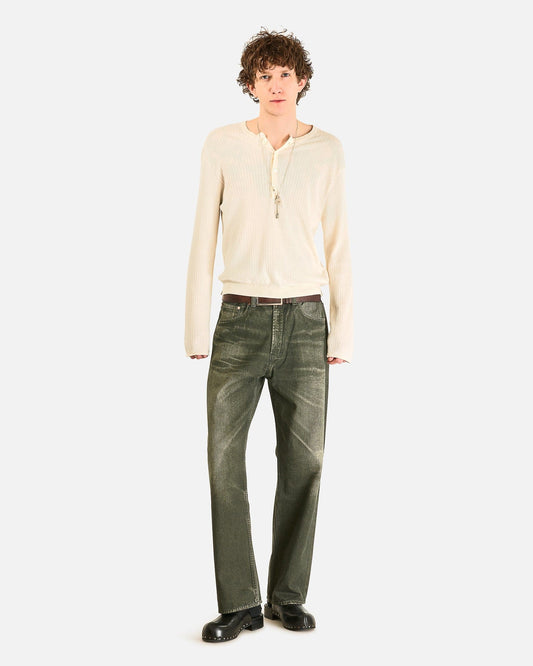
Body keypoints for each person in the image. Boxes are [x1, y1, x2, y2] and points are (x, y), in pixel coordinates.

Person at [184, 27, 354, 642]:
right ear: (250, 83)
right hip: (239, 319)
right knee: (223, 460)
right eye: (264, 75)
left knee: (305, 462)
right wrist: (196, 325)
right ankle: (239, 603)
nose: (275, 85)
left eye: (285, 74)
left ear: (301, 80)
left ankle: (287, 597)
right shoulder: (223, 144)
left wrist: (343, 331)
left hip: (306, 321)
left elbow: (338, 242)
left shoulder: (328, 150)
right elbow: (203, 236)